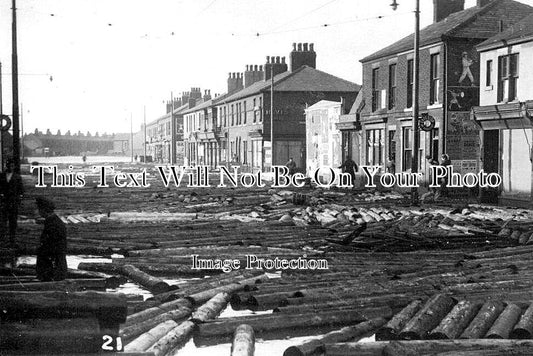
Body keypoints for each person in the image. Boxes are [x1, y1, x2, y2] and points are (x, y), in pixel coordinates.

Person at [35, 197, 67, 282]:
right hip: (54, 265)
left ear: (44, 210)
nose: (38, 212)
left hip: (53, 267)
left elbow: (52, 247)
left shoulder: (53, 224)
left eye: (39, 209)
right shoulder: (53, 221)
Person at [0, 158, 24, 246]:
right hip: (4, 202)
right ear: (6, 166)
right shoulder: (1, 176)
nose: (10, 167)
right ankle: (2, 240)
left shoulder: (17, 177)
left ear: (14, 166)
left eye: (12, 165)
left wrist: (19, 200)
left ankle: (12, 240)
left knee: (13, 222)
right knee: (3, 221)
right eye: (9, 165)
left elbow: (21, 191)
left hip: (13, 202)